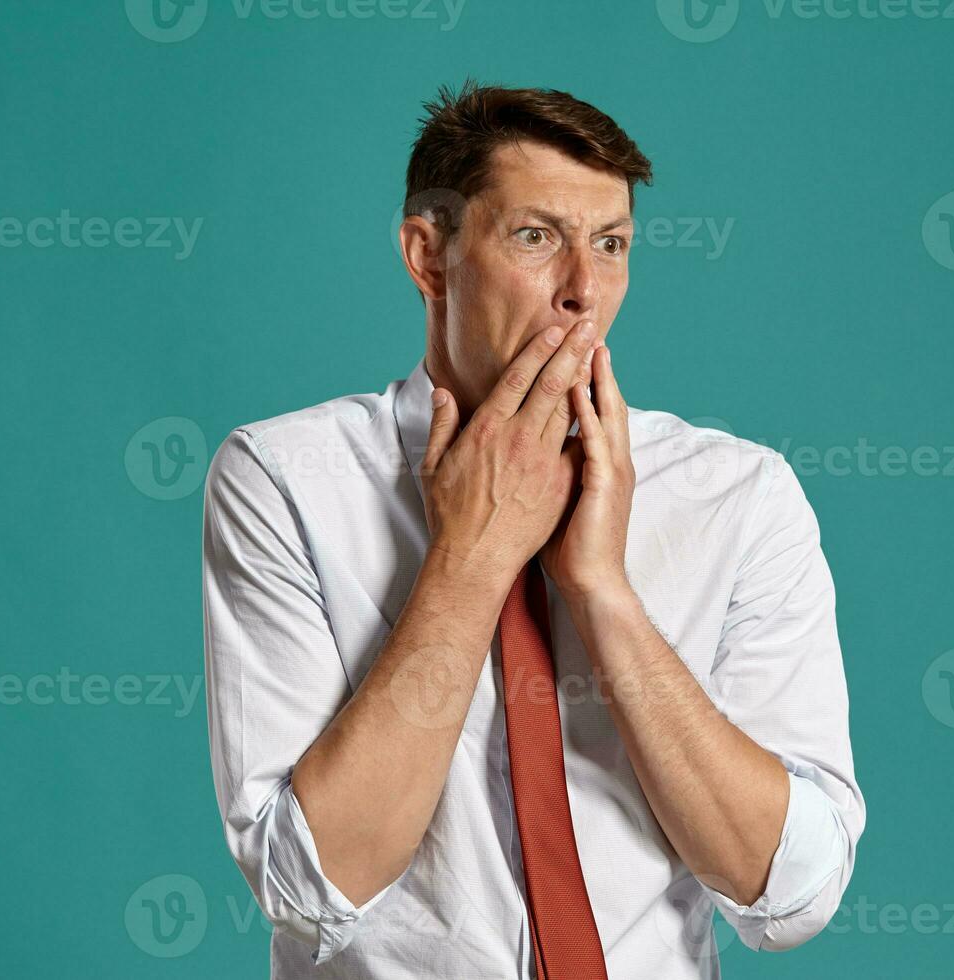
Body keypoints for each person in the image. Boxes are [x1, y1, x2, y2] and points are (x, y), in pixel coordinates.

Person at [202, 79, 865, 979]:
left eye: (612, 244)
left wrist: (602, 593)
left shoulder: (737, 494)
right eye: (536, 237)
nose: (582, 292)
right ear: (428, 255)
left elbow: (792, 894)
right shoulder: (285, 480)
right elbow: (312, 889)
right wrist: (470, 560)